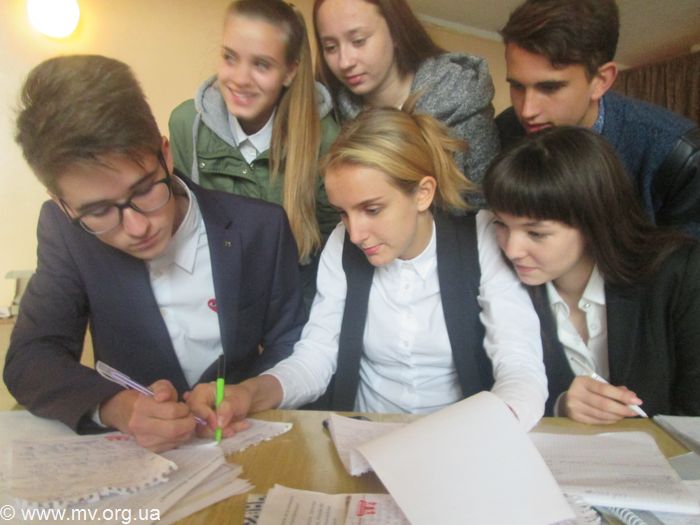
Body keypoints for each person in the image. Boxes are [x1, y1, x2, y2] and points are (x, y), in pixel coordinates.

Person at [187, 103, 547, 436]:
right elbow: (316, 357)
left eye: (372, 209)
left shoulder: (482, 238)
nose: (356, 234)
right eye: (343, 213)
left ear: (423, 193)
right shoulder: (341, 245)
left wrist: (487, 433)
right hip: (365, 438)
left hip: (462, 437)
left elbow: (520, 367)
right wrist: (250, 392)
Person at [5, 55, 305, 451]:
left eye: (145, 189)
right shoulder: (67, 233)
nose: (137, 227)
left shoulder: (260, 227)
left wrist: (247, 393)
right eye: (99, 211)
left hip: (243, 439)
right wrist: (117, 406)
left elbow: (293, 344)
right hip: (138, 456)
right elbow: (31, 358)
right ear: (62, 205)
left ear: (165, 154)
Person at [483, 126, 700, 424]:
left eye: (536, 233)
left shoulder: (679, 274)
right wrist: (561, 406)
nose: (512, 249)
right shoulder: (499, 282)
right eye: (501, 224)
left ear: (592, 221)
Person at [168, 0, 339, 310]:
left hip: (291, 303)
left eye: (261, 65)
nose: (240, 78)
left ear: (290, 72)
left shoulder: (324, 137)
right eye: (230, 57)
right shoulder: (185, 124)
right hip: (213, 298)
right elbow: (183, 228)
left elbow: (330, 241)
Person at [496, 0, 700, 237]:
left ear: (601, 81)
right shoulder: (504, 131)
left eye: (549, 87)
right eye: (517, 86)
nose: (527, 110)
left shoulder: (681, 158)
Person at [312, 0, 500, 186]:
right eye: (331, 47)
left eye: (358, 41)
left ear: (395, 32)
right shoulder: (328, 114)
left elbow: (487, 200)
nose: (345, 62)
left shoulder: (463, 98)